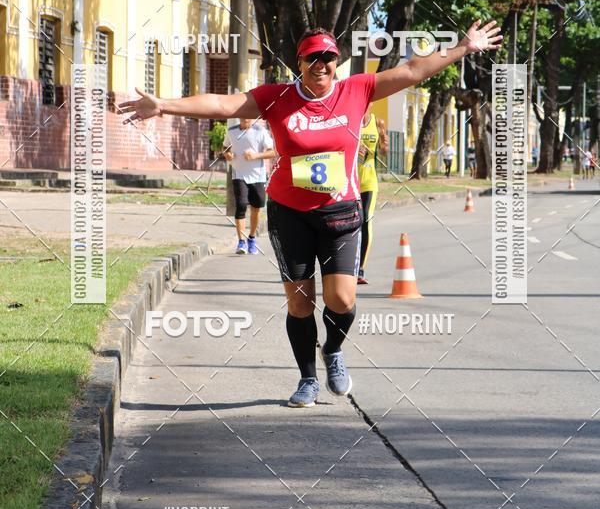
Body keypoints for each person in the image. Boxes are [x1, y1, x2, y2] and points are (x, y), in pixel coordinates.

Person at [118, 20, 502, 408]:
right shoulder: (277, 97)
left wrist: (463, 48)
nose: (321, 64)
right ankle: (307, 378)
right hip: (290, 214)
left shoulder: (357, 90)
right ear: (299, 62)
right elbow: (222, 104)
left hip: (340, 213)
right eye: (312, 58)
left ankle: (332, 349)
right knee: (300, 304)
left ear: (337, 61)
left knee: (342, 300)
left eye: (328, 57)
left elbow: (413, 71)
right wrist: (164, 105)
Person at [222, 118, 276, 254]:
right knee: (241, 205)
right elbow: (225, 147)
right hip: (238, 174)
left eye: (248, 115)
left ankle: (251, 238)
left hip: (257, 176)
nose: (246, 118)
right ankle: (241, 242)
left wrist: (256, 156)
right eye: (243, 115)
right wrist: (227, 154)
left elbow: (272, 152)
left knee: (256, 207)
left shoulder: (260, 131)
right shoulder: (231, 131)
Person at [357, 105, 388, 285]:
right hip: (349, 181)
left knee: (365, 221)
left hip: (369, 181)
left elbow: (383, 152)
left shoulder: (377, 123)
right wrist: (355, 147)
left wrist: (384, 143)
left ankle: (360, 269)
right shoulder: (349, 120)